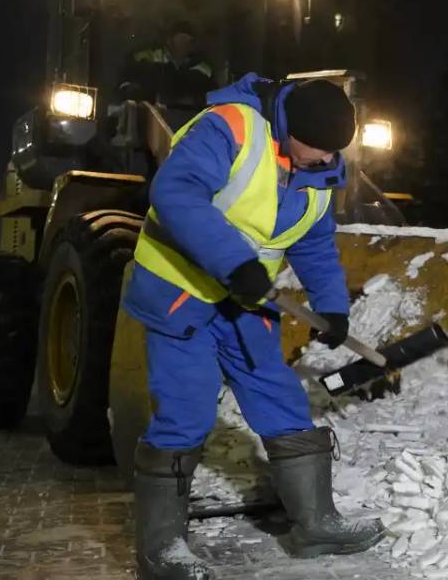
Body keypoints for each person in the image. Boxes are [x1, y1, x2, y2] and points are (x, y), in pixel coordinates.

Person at [121, 73, 384, 580]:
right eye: (317, 149)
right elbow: (175, 192)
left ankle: (315, 524)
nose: (326, 160)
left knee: (280, 396)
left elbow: (313, 245)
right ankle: (163, 550)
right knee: (186, 408)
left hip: (245, 300)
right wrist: (234, 262)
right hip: (180, 291)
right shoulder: (231, 128)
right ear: (289, 129)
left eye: (334, 152)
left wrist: (332, 308)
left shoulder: (319, 169)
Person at [118, 20, 216, 107]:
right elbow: (125, 84)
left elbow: (211, 96)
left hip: (189, 117)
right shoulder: (146, 58)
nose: (184, 44)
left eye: (189, 41)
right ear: (169, 40)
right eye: (181, 39)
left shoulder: (202, 68)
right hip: (150, 116)